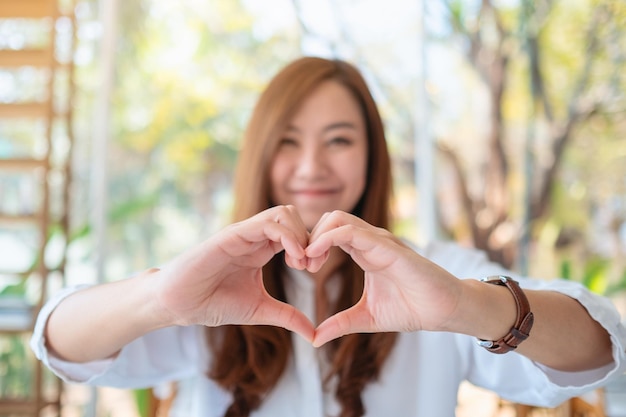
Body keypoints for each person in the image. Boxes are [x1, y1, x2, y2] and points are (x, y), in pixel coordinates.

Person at [32, 57, 626, 417]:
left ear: (373, 155)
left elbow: (602, 346)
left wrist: (465, 306)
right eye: (288, 141)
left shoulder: (435, 270)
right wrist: (159, 300)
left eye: (339, 139)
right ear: (260, 154)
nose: (311, 166)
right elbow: (58, 340)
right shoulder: (209, 277)